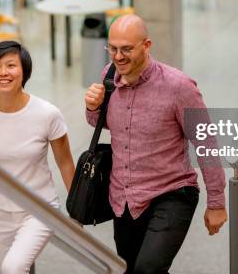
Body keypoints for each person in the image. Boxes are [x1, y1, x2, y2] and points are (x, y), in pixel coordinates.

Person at [84, 14, 227, 274]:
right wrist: (92, 107)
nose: (118, 56)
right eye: (113, 48)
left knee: (148, 269)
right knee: (130, 269)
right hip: (124, 198)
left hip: (171, 192)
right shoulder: (109, 76)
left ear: (146, 45)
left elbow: (206, 142)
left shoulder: (179, 87)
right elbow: (102, 122)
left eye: (126, 49)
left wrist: (216, 202)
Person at [0, 41, 75, 274]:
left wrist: (78, 211)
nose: (3, 73)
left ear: (24, 72)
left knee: (13, 267)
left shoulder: (47, 114)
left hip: (40, 208)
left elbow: (65, 162)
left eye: (11, 65)